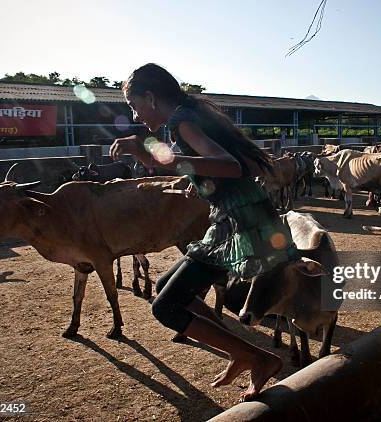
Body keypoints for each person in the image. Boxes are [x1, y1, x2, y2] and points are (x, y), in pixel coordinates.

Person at [109, 63, 299, 401]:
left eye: (134, 106)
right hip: (240, 215)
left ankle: (255, 357)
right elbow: (245, 167)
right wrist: (202, 183)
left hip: (238, 223)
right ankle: (246, 354)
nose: (136, 116)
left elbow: (231, 165)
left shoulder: (181, 123)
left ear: (151, 98)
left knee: (165, 307)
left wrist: (154, 157)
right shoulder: (190, 115)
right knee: (166, 287)